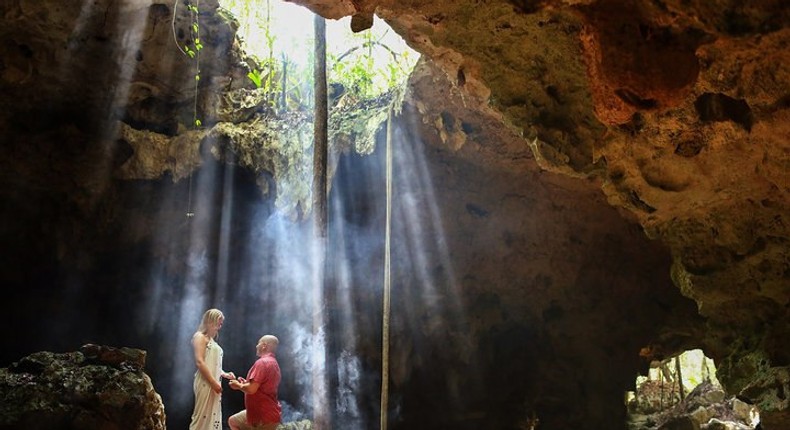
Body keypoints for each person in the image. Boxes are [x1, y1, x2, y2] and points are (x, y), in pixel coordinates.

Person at [189, 308, 236, 430]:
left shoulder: (212, 341)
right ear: (210, 321)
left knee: (212, 416)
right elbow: (200, 362)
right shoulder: (199, 337)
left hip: (213, 382)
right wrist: (213, 382)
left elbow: (214, 365)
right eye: (218, 323)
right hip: (205, 382)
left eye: (220, 324)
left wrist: (225, 374)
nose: (219, 327)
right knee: (201, 417)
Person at [228, 335, 282, 430]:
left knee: (234, 422)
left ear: (264, 345)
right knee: (233, 421)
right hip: (270, 413)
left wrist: (238, 385)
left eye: (258, 343)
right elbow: (260, 387)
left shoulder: (262, 363)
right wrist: (245, 383)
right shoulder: (274, 363)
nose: (256, 346)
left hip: (262, 415)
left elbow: (251, 389)